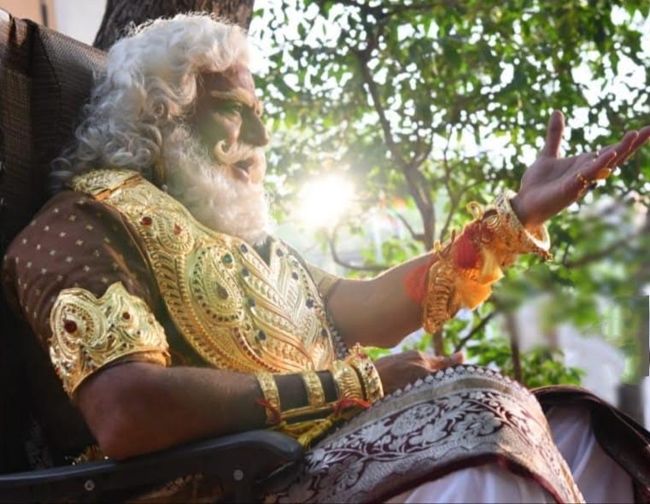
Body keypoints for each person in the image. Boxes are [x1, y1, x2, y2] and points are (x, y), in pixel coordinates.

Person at [2, 13, 649, 503]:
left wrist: (515, 219)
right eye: (236, 112)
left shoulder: (250, 243)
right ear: (160, 114)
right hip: (228, 484)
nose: (262, 137)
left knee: (582, 431)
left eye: (261, 114)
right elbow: (126, 411)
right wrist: (358, 386)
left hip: (329, 464)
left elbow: (371, 308)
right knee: (483, 427)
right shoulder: (83, 223)